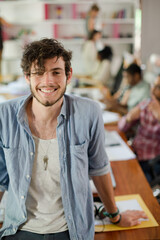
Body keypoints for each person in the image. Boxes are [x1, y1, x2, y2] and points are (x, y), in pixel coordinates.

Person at [0, 38, 147, 240]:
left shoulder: (89, 112)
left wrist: (114, 215)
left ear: (68, 75)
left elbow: (99, 168)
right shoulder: (4, 116)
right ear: (27, 77)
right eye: (39, 72)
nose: (48, 81)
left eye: (56, 72)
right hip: (19, 229)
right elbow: (0, 178)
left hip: (72, 230)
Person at [118, 75, 160, 183]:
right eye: (153, 85)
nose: (153, 89)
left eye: (158, 87)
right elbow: (121, 127)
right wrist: (128, 118)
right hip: (134, 152)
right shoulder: (146, 104)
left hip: (151, 161)